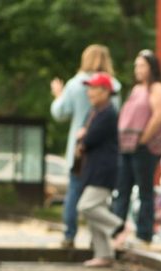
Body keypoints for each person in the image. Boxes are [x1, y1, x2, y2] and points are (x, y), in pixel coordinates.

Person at [51, 44, 119, 248]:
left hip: (80, 150)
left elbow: (59, 113)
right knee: (98, 199)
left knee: (75, 193)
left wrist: (58, 96)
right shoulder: (114, 85)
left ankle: (69, 235)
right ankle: (96, 242)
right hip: (104, 150)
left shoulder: (74, 84)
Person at [111, 49, 161, 248]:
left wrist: (143, 138)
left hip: (145, 147)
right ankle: (114, 231)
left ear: (152, 67)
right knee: (122, 190)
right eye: (136, 66)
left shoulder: (157, 89)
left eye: (142, 65)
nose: (138, 69)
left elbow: (159, 115)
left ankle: (144, 234)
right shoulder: (137, 89)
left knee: (145, 191)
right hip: (126, 146)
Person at [76, 73, 122, 267]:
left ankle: (118, 227)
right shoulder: (95, 112)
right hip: (93, 168)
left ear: (105, 92)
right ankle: (104, 254)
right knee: (95, 210)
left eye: (94, 88)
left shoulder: (108, 113)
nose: (90, 93)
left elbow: (89, 139)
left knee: (86, 206)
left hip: (103, 169)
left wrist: (83, 137)